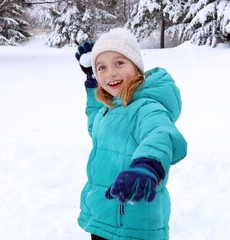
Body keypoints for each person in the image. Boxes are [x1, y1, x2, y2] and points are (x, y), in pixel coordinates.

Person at [74, 28, 187, 240]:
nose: (111, 73)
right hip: (103, 218)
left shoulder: (145, 107)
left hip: (134, 224)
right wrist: (90, 83)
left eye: (119, 63)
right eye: (102, 67)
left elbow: (160, 133)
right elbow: (94, 119)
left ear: (136, 67)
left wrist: (148, 163)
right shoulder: (109, 108)